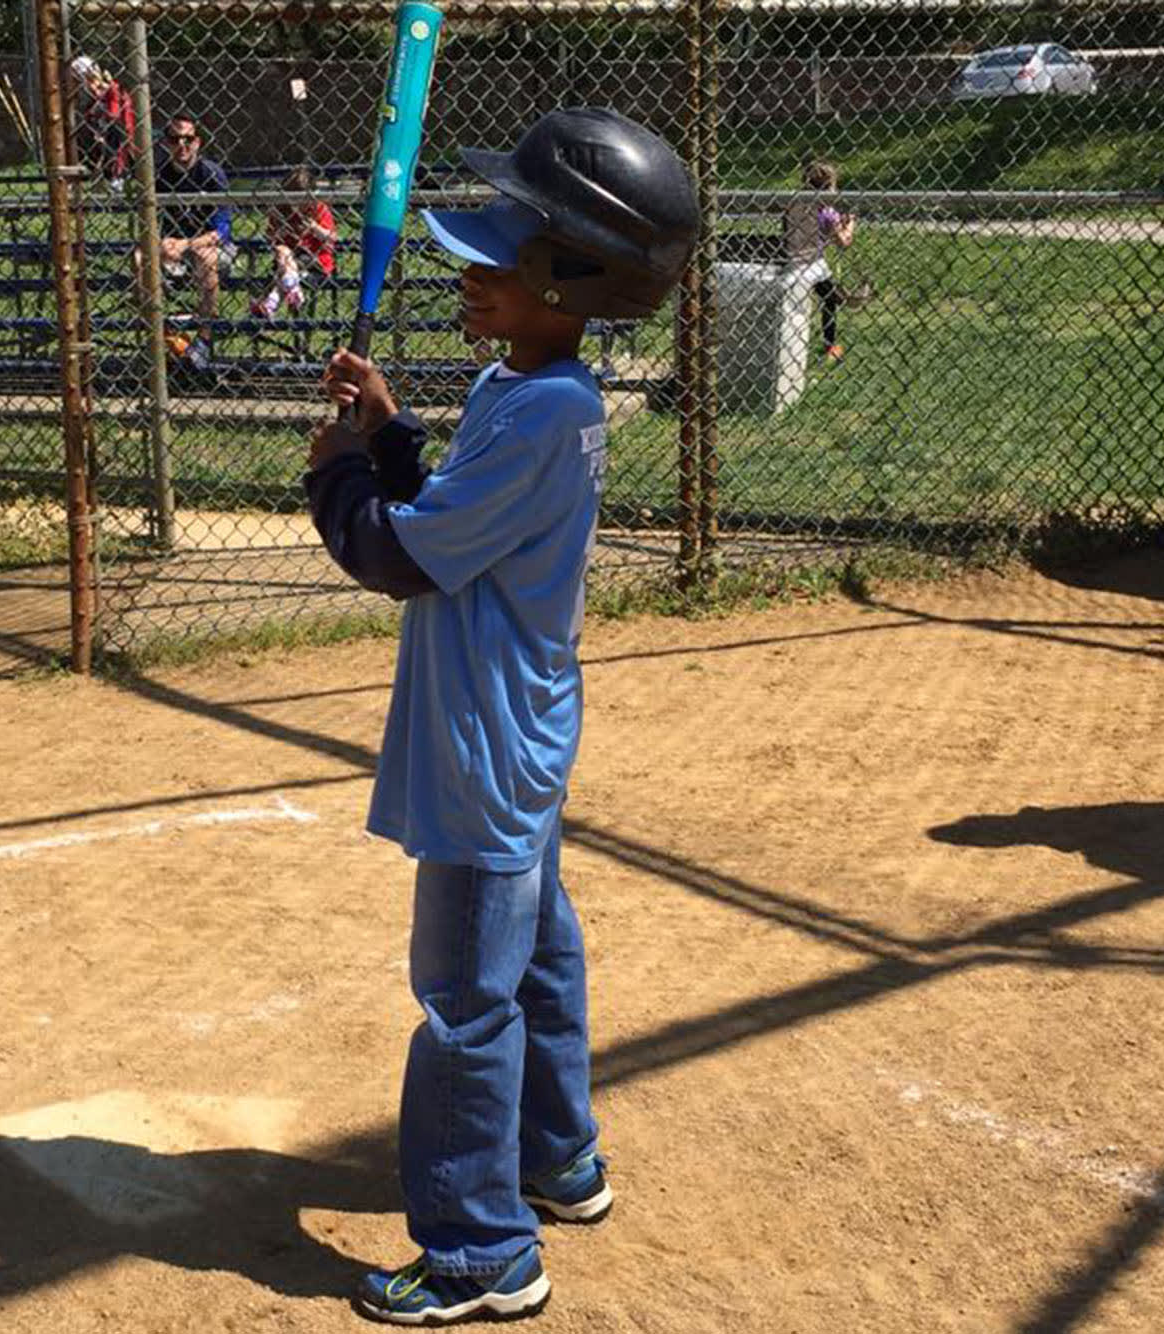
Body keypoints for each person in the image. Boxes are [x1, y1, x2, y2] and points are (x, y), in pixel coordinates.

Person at [302, 108, 699, 1325]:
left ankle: (481, 1250)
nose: (468, 273)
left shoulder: (539, 410)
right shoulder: (528, 387)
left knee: (464, 996)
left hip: (481, 743)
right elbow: (457, 510)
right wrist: (384, 431)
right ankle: (558, 1155)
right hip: (520, 721)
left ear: (569, 280)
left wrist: (333, 478)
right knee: (534, 951)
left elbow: (406, 557)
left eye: (497, 258)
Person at [152, 115, 232, 367]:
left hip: (210, 247)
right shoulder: (159, 175)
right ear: (166, 143)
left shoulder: (211, 173)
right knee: (140, 257)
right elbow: (149, 225)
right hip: (172, 246)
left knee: (205, 258)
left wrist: (186, 244)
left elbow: (223, 230)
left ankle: (204, 340)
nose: (182, 145)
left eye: (188, 139)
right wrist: (160, 244)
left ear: (198, 142)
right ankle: (159, 331)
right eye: (175, 139)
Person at [782, 159, 857, 362]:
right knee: (831, 299)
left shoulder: (794, 204)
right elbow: (843, 242)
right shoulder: (827, 212)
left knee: (819, 298)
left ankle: (814, 342)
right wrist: (849, 225)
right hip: (812, 264)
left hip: (790, 260)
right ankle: (829, 344)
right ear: (828, 187)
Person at [250, 166, 336, 319]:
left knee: (284, 264)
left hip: (315, 261)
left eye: (301, 199)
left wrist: (314, 228)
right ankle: (292, 290)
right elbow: (269, 237)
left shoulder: (319, 209)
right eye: (291, 198)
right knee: (282, 250)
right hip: (286, 260)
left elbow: (331, 238)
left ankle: (273, 302)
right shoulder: (280, 210)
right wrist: (278, 233)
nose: (296, 205)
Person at [69, 55, 134, 192]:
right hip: (100, 132)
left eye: (78, 80)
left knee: (115, 134)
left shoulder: (111, 90)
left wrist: (99, 125)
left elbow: (115, 115)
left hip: (117, 132)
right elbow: (89, 115)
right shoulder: (91, 97)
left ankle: (116, 177)